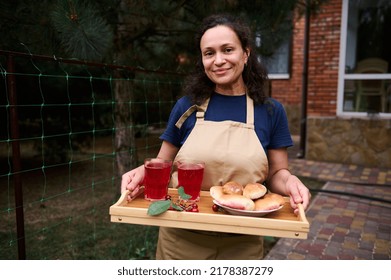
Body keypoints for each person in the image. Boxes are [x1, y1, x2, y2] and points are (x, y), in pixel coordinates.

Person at [121, 13, 311, 260]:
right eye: (209, 53)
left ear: (245, 53)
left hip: (243, 241)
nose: (218, 60)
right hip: (181, 239)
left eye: (228, 50)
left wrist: (291, 182)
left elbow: (277, 175)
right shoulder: (186, 106)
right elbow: (163, 164)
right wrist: (143, 171)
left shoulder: (271, 111)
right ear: (202, 60)